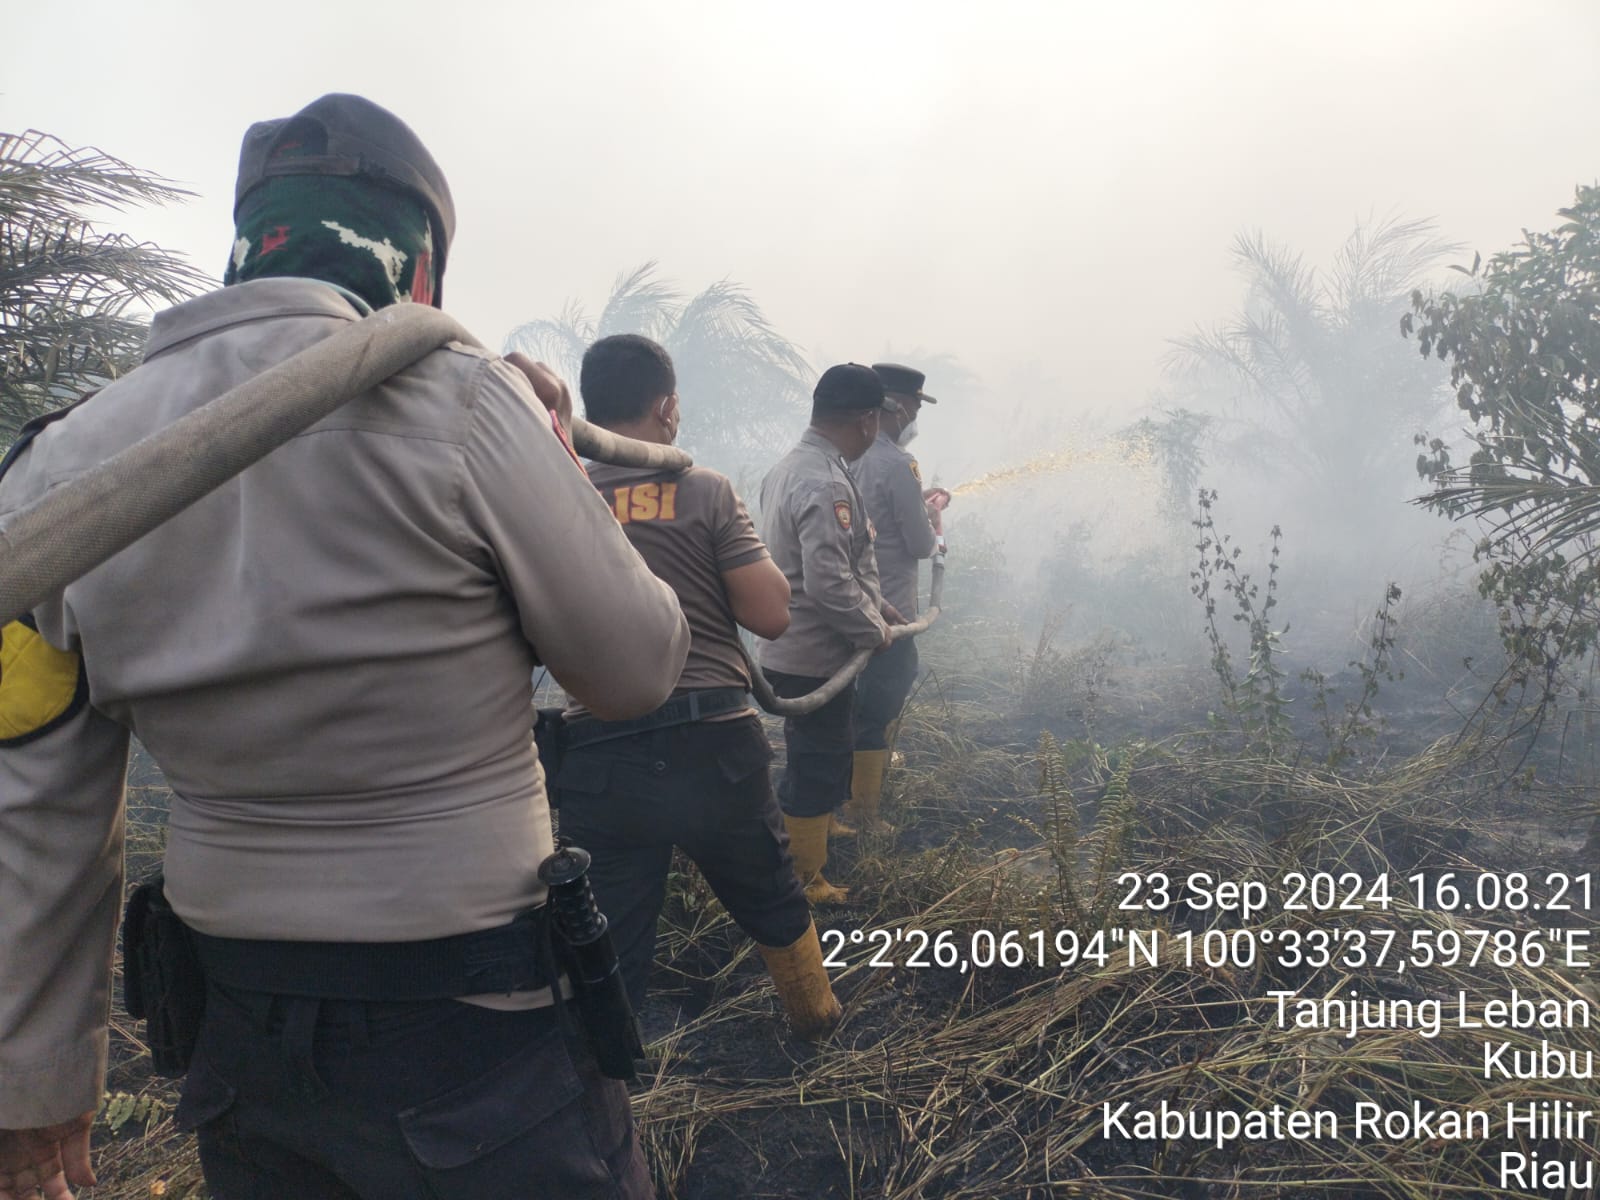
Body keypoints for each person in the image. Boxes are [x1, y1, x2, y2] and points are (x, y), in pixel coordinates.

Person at [0, 94, 689, 1200]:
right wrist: (553, 459)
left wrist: (32, 1090)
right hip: (474, 1029)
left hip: (240, 1038)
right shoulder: (463, 400)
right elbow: (633, 669)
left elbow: (37, 800)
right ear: (417, 264)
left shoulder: (63, 469)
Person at [553, 334, 842, 1039]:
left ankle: (608, 1090)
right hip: (713, 743)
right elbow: (771, 616)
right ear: (668, 408)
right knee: (773, 895)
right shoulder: (701, 488)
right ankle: (819, 1026)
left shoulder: (554, 499)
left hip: (599, 756)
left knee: (608, 935)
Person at [757, 364, 901, 903]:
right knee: (818, 757)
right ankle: (807, 876)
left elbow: (841, 565)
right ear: (867, 420)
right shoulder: (825, 480)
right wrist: (873, 630)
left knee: (820, 749)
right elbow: (828, 581)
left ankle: (817, 826)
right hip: (814, 653)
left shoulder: (790, 468)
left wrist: (878, 605)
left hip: (795, 647)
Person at [844, 362, 952, 832]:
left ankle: (846, 790)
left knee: (848, 701)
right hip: (891, 610)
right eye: (913, 407)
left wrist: (917, 500)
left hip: (845, 605)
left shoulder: (849, 455)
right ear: (900, 406)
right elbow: (920, 545)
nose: (913, 418)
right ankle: (864, 810)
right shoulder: (897, 462)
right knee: (884, 696)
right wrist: (932, 519)